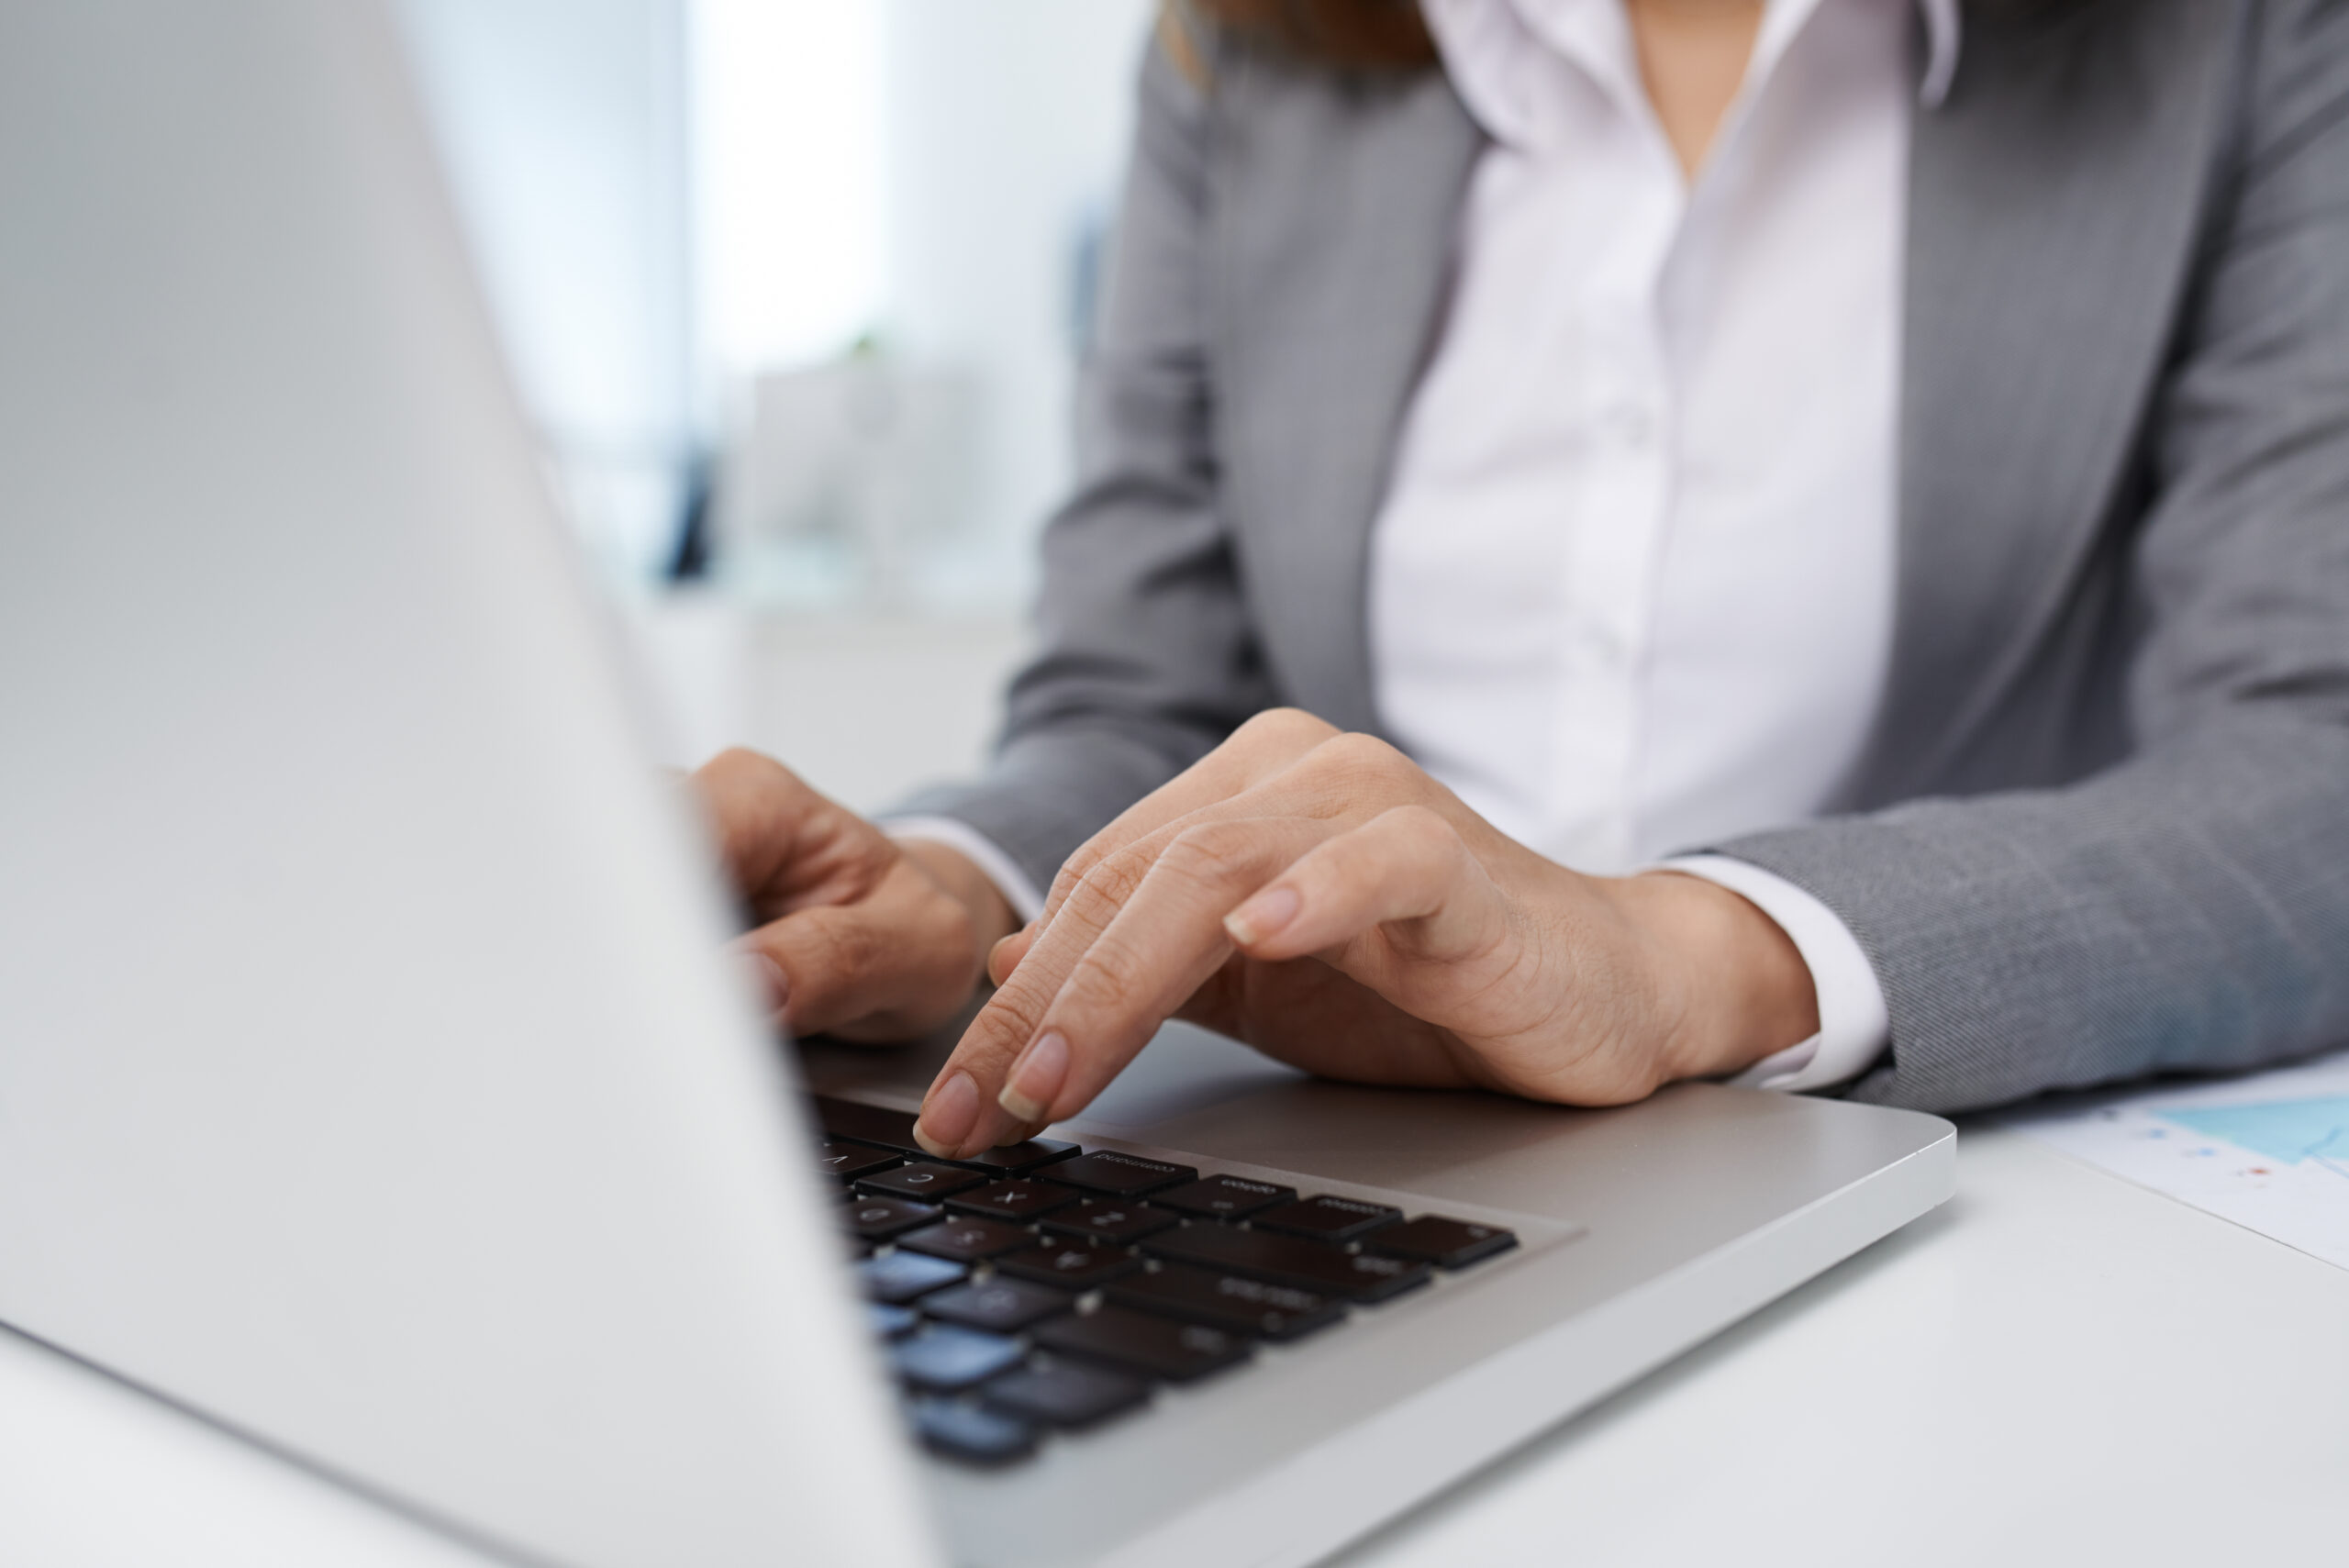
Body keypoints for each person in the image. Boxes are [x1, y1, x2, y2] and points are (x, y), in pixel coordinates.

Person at [697, 0, 2349, 1163]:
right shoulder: (1250, 46)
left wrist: (1687, 954)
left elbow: (2309, 769)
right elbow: (1142, 695)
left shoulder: (2244, 42)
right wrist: (957, 889)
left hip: (1907, 1181)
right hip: (1317, 1153)